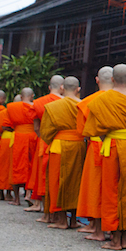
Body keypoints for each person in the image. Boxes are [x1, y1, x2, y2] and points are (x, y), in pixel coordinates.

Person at [84, 64, 126, 250]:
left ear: (112, 79)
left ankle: (115, 240)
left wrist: (109, 137)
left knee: (111, 190)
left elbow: (93, 129)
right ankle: (125, 238)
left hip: (112, 147)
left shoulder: (103, 98)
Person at [40, 76, 84, 230]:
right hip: (79, 146)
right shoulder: (84, 105)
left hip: (59, 146)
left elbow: (45, 133)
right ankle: (73, 220)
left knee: (57, 181)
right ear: (78, 89)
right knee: (75, 182)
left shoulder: (53, 106)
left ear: (62, 88)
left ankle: (61, 220)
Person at [76, 66, 113, 241]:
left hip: (96, 145)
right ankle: (109, 227)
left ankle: (98, 229)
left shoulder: (88, 101)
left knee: (95, 187)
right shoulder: (123, 99)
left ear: (97, 80)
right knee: (112, 187)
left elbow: (83, 130)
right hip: (117, 145)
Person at [27, 75, 64, 217]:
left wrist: (44, 137)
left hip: (43, 140)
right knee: (55, 175)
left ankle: (41, 206)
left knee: (41, 172)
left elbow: (36, 127)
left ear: (49, 87)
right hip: (60, 140)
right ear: (62, 87)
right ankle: (54, 208)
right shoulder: (65, 102)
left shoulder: (38, 103)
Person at [7, 88, 37, 205]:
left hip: (18, 137)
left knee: (16, 165)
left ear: (20, 96)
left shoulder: (12, 107)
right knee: (31, 166)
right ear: (32, 96)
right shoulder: (35, 106)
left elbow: (9, 124)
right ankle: (28, 194)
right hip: (32, 137)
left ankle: (16, 199)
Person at [0, 98, 15, 201]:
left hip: (4, 138)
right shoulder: (19, 112)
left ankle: (0, 191)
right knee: (10, 166)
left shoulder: (1, 113)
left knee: (1, 165)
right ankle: (8, 193)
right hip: (14, 139)